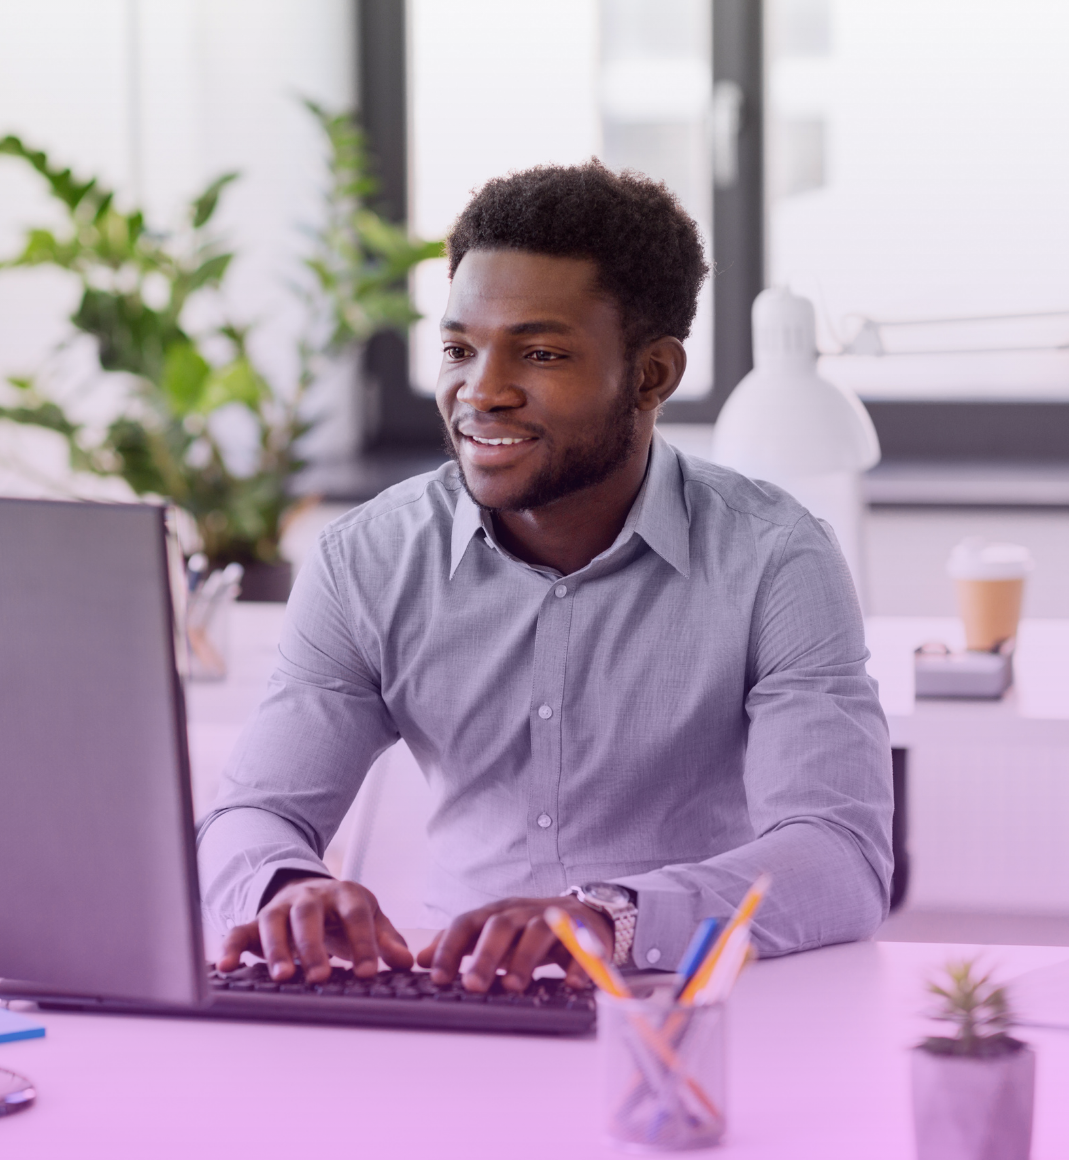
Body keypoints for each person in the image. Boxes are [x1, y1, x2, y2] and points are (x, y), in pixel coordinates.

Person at [198, 161, 892, 995]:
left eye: (540, 352)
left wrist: (610, 918)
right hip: (452, 1005)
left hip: (689, 1006)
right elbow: (252, 813)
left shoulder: (776, 558)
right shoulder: (368, 560)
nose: (480, 392)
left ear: (652, 375)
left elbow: (838, 855)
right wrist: (285, 887)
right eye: (459, 349)